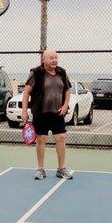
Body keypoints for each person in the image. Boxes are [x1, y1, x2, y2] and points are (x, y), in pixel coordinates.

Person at [21, 49, 73, 181]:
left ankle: (61, 169)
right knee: (41, 139)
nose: (55, 60)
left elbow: (67, 90)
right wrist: (24, 111)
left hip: (57, 112)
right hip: (41, 112)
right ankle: (40, 169)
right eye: (51, 58)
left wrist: (65, 105)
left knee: (61, 137)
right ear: (44, 60)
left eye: (56, 58)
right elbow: (26, 93)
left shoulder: (61, 72)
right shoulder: (36, 73)